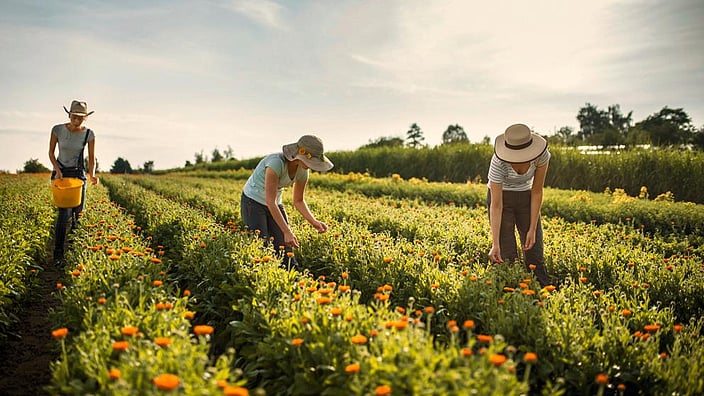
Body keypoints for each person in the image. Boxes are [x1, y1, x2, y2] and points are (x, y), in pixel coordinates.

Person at [240, 135, 333, 265]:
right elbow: (270, 201)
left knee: (285, 245)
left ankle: (292, 278)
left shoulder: (303, 171)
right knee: (261, 242)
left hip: (275, 202)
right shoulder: (275, 164)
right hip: (253, 201)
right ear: (300, 155)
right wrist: (287, 231)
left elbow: (298, 200)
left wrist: (314, 221)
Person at [487, 123, 551, 287]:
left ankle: (542, 292)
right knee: (506, 256)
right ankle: (509, 296)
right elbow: (496, 205)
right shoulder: (498, 162)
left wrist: (532, 228)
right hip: (502, 199)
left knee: (534, 253)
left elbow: (537, 191)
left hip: (526, 197)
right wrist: (495, 244)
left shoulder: (542, 156)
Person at [48, 100, 98, 263]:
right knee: (64, 214)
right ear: (69, 115)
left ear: (85, 119)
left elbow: (91, 158)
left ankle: (76, 253)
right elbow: (51, 153)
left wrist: (92, 174)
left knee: (78, 213)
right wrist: (57, 170)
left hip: (78, 174)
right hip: (61, 175)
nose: (77, 120)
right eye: (74, 117)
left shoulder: (88, 134)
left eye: (80, 118)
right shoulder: (57, 130)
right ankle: (58, 254)